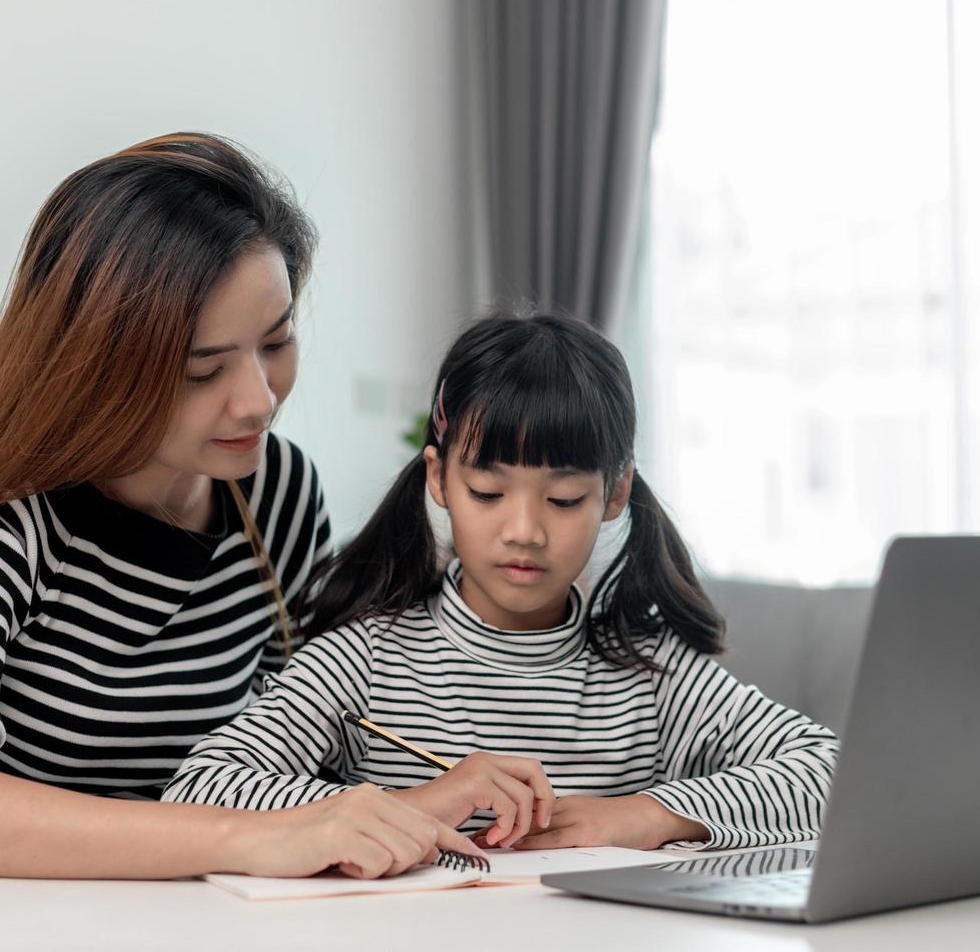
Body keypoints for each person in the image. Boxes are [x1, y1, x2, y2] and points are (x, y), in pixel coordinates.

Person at [0, 133, 480, 881]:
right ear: (97, 364)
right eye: (202, 369)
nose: (258, 400)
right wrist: (256, 838)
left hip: (77, 902)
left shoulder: (275, 493)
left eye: (276, 341)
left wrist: (414, 801)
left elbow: (291, 735)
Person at [163, 313, 839, 851]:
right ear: (438, 479)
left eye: (564, 499)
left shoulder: (653, 676)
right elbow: (198, 793)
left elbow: (835, 772)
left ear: (615, 493)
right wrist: (409, 807)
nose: (525, 531)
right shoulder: (365, 662)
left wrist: (647, 814)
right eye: (488, 492)